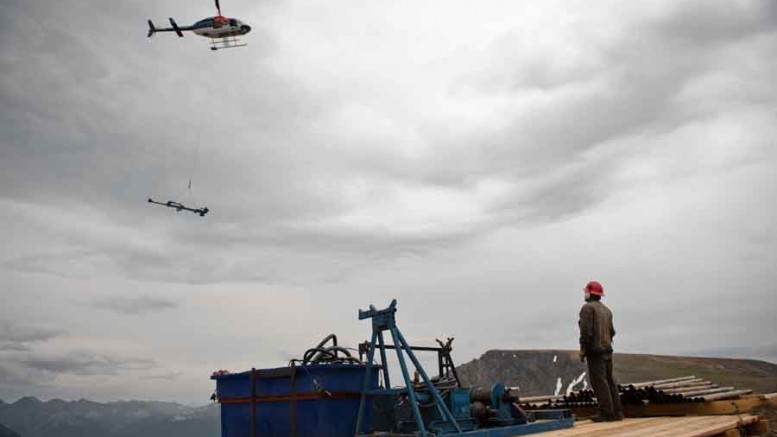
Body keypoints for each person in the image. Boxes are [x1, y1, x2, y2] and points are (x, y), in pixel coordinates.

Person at [578, 280, 623, 422]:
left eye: (586, 291)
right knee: (610, 381)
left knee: (599, 382)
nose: (584, 294)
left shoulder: (587, 308)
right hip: (608, 350)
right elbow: (612, 332)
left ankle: (606, 413)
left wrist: (583, 349)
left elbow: (586, 332)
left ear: (590, 293)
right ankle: (617, 412)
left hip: (595, 351)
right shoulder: (607, 311)